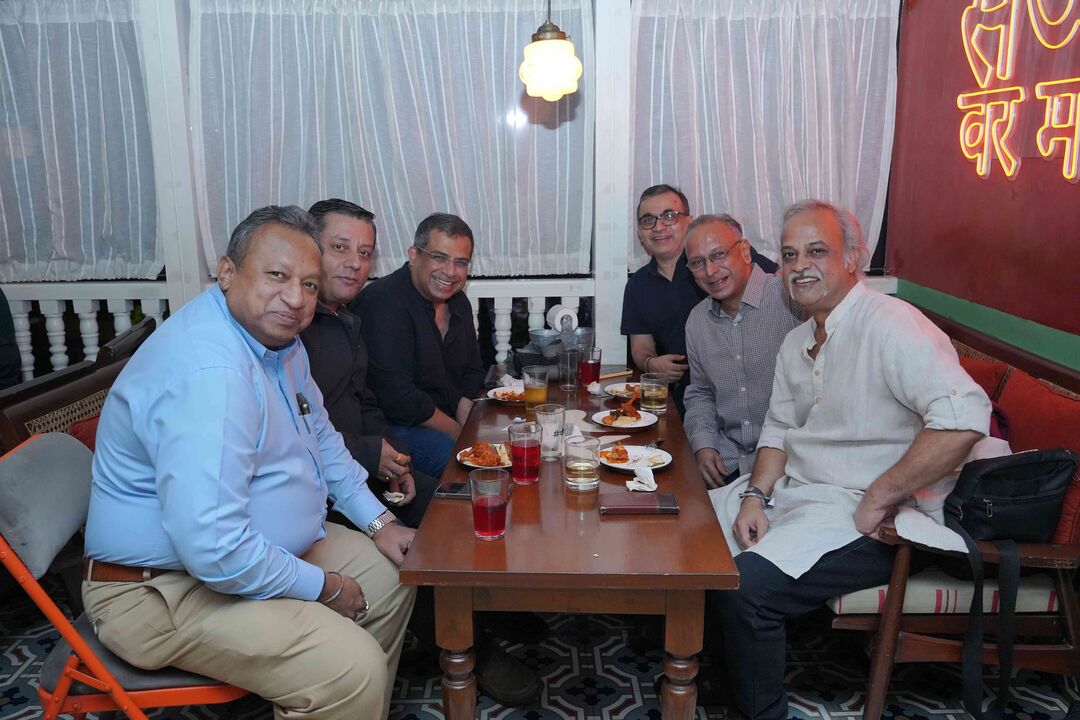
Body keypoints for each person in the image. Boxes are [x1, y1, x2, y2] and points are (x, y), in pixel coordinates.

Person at [82, 206, 417, 720]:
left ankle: (332, 702)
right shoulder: (213, 375)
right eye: (277, 275)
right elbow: (215, 549)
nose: (296, 299)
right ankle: (337, 688)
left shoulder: (279, 342)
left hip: (245, 554)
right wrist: (325, 588)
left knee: (392, 579)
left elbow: (321, 436)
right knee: (350, 669)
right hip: (158, 588)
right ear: (227, 272)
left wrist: (380, 522)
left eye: (309, 284)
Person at [707, 200, 991, 720]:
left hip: (869, 518)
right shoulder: (797, 341)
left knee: (746, 589)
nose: (799, 266)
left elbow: (965, 417)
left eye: (816, 251)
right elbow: (778, 430)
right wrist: (753, 496)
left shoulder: (891, 323)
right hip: (799, 495)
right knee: (694, 540)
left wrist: (881, 495)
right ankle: (719, 681)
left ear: (854, 257)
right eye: (789, 255)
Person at [301, 198, 436, 528]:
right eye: (340, 247)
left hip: (362, 468)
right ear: (307, 249)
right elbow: (296, 432)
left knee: (453, 507)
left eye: (364, 253)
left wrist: (395, 459)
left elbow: (364, 401)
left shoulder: (346, 320)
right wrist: (371, 454)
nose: (354, 263)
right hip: (317, 491)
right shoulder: (293, 325)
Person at [621, 184, 777, 414]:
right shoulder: (637, 285)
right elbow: (640, 346)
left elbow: (781, 283)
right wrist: (651, 364)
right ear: (640, 234)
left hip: (747, 393)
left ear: (689, 222)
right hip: (682, 401)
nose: (658, 227)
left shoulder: (721, 260)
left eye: (669, 216)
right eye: (648, 220)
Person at [357, 213, 485, 480]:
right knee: (463, 463)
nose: (450, 271)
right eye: (439, 257)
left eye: (460, 262)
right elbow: (399, 398)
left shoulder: (458, 301)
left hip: (443, 421)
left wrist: (469, 430)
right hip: (392, 427)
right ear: (414, 255)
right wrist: (460, 435)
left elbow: (472, 372)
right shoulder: (383, 302)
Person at [682, 214, 802, 488]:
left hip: (791, 467)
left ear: (745, 250)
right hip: (728, 463)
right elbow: (700, 393)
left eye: (719, 254)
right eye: (698, 262)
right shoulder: (697, 320)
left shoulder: (791, 299)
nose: (710, 270)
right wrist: (703, 444)